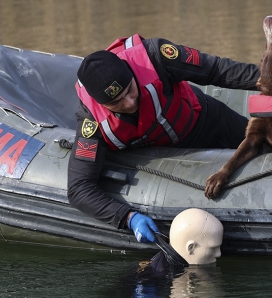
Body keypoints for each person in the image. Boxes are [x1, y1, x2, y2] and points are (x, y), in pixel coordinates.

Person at [67, 34, 260, 243]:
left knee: (263, 142)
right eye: (117, 103)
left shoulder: (156, 57)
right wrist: (127, 218)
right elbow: (79, 188)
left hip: (206, 121)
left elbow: (216, 69)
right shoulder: (91, 121)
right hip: (164, 158)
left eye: (130, 90)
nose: (130, 103)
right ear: (102, 105)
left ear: (130, 71)